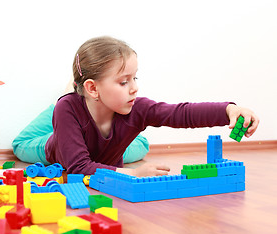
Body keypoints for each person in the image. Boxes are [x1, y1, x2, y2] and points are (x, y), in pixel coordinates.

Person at [13, 36, 259, 177]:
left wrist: (229, 109)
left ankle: (79, 96)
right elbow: (78, 168)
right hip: (53, 148)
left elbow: (179, 113)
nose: (134, 88)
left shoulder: (136, 107)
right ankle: (71, 92)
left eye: (134, 78)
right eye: (123, 82)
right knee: (21, 145)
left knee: (138, 147)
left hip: (100, 138)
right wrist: (133, 174)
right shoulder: (67, 110)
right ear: (93, 87)